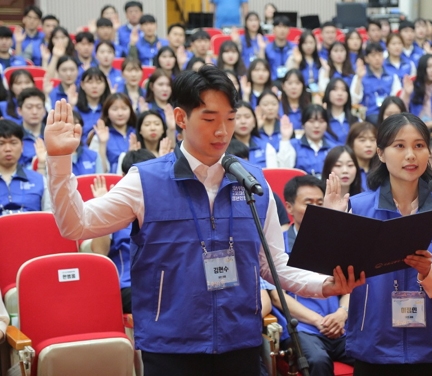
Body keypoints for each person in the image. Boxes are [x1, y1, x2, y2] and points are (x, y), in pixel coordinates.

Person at [43, 66, 364, 375]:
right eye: (210, 118)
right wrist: (59, 161)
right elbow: (77, 224)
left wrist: (323, 286)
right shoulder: (146, 180)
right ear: (181, 118)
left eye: (230, 118)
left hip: (240, 340)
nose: (223, 130)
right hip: (171, 346)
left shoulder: (252, 183)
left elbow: (272, 263)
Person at [326, 113, 432, 375]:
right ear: (380, 153)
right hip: (375, 344)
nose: (411, 155)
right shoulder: (357, 207)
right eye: (399, 146)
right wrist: (333, 221)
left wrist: (429, 272)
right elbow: (335, 274)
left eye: (419, 145)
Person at [273, 175, 355, 376]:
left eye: (320, 203)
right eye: (308, 203)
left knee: (372, 354)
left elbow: (352, 284)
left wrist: (341, 314)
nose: (315, 208)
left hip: (339, 326)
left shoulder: (337, 243)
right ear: (289, 208)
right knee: (318, 361)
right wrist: (318, 321)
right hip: (303, 328)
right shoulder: (279, 246)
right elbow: (276, 295)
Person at [90, 149, 157, 313]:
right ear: (124, 177)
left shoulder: (165, 206)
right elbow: (99, 252)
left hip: (163, 282)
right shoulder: (115, 210)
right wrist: (103, 206)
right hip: (129, 286)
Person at [0, 120, 50, 215]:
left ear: (22, 146)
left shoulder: (39, 180)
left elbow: (50, 216)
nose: (8, 149)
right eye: (1, 143)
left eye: (13, 143)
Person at [351, 43, 401, 125]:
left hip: (389, 112)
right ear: (366, 59)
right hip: (370, 113)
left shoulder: (392, 75)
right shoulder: (361, 75)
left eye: (380, 55)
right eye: (373, 56)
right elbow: (354, 100)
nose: (377, 58)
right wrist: (359, 78)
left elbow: (396, 96)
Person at [17, 88, 47, 168]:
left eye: (39, 107)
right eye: (29, 107)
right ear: (19, 111)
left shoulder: (53, 135)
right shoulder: (14, 137)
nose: (34, 112)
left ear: (44, 111)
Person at [346, 122, 377, 193]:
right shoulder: (346, 171)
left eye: (373, 140)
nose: (368, 145)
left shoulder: (381, 170)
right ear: (351, 143)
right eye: (362, 140)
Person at [265, 16, 295, 82]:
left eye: (285, 27)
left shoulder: (295, 48)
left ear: (289, 30)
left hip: (290, 83)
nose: (282, 30)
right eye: (279, 27)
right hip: (272, 83)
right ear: (273, 30)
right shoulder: (267, 48)